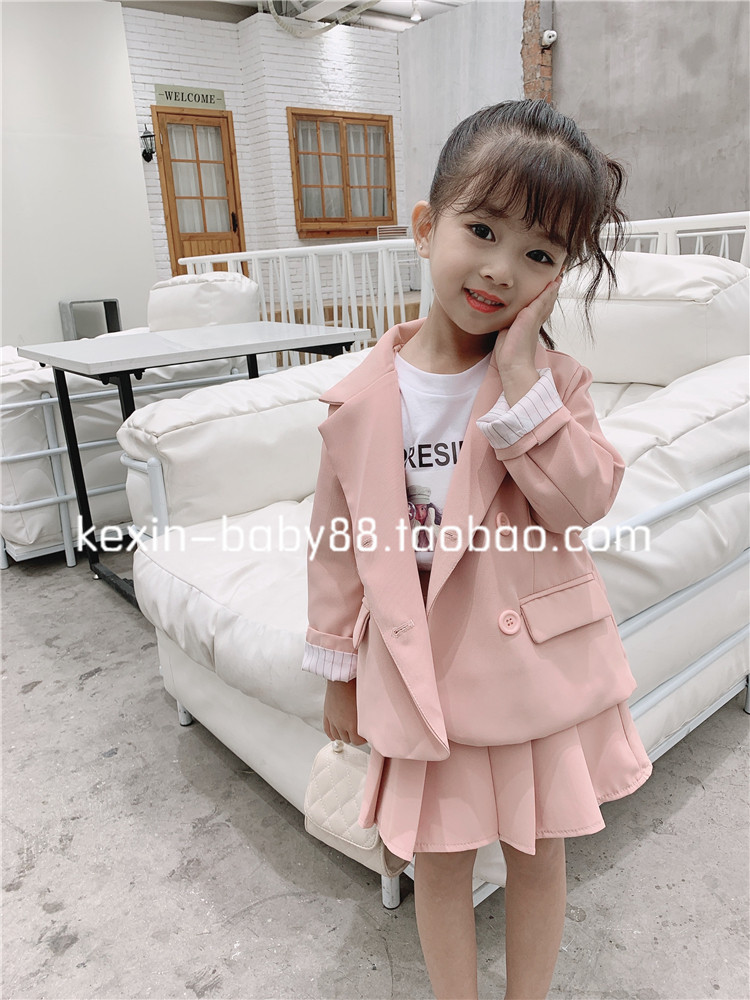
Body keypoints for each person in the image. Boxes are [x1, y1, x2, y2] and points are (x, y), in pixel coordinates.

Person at [301, 99, 653, 1000]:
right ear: (427, 228)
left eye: (540, 255)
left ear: (560, 276)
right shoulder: (360, 400)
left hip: (531, 676)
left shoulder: (551, 386)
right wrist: (339, 672)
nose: (501, 269)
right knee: (440, 862)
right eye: (483, 231)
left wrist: (523, 380)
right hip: (426, 678)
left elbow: (585, 503)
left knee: (539, 855)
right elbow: (338, 547)